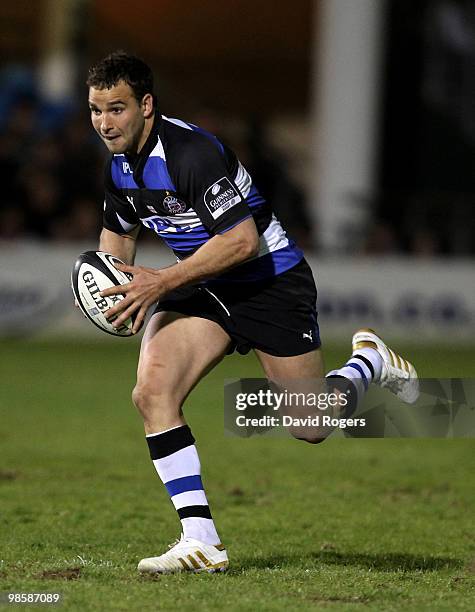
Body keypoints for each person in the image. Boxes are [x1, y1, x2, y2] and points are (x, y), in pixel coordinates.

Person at [86, 51, 419, 574]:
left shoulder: (190, 153)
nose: (105, 123)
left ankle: (367, 363)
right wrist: (111, 290)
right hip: (202, 283)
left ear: (146, 105)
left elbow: (241, 242)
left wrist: (161, 281)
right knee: (152, 392)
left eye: (117, 109)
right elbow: (117, 242)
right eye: (97, 110)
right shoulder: (119, 169)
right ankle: (201, 541)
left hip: (269, 283)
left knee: (310, 426)